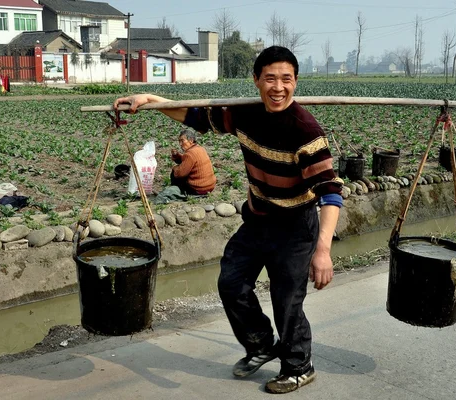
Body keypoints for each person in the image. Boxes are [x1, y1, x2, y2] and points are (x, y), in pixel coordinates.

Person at [114, 46, 343, 394]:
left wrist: (322, 249)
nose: (278, 87)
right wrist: (149, 99)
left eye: (286, 80)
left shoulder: (306, 131)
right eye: (270, 79)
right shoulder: (244, 114)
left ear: (295, 82)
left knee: (287, 300)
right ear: (256, 81)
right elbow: (195, 115)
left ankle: (299, 365)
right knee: (231, 283)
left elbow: (330, 192)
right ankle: (262, 344)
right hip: (258, 219)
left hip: (295, 227)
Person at [169, 128, 216, 195]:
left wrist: (174, 168)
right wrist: (176, 155)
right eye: (179, 141)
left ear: (191, 140)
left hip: (200, 189)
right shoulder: (200, 148)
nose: (180, 144)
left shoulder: (190, 154)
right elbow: (186, 161)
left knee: (176, 172)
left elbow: (180, 173)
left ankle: (177, 191)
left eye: (182, 141)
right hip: (210, 187)